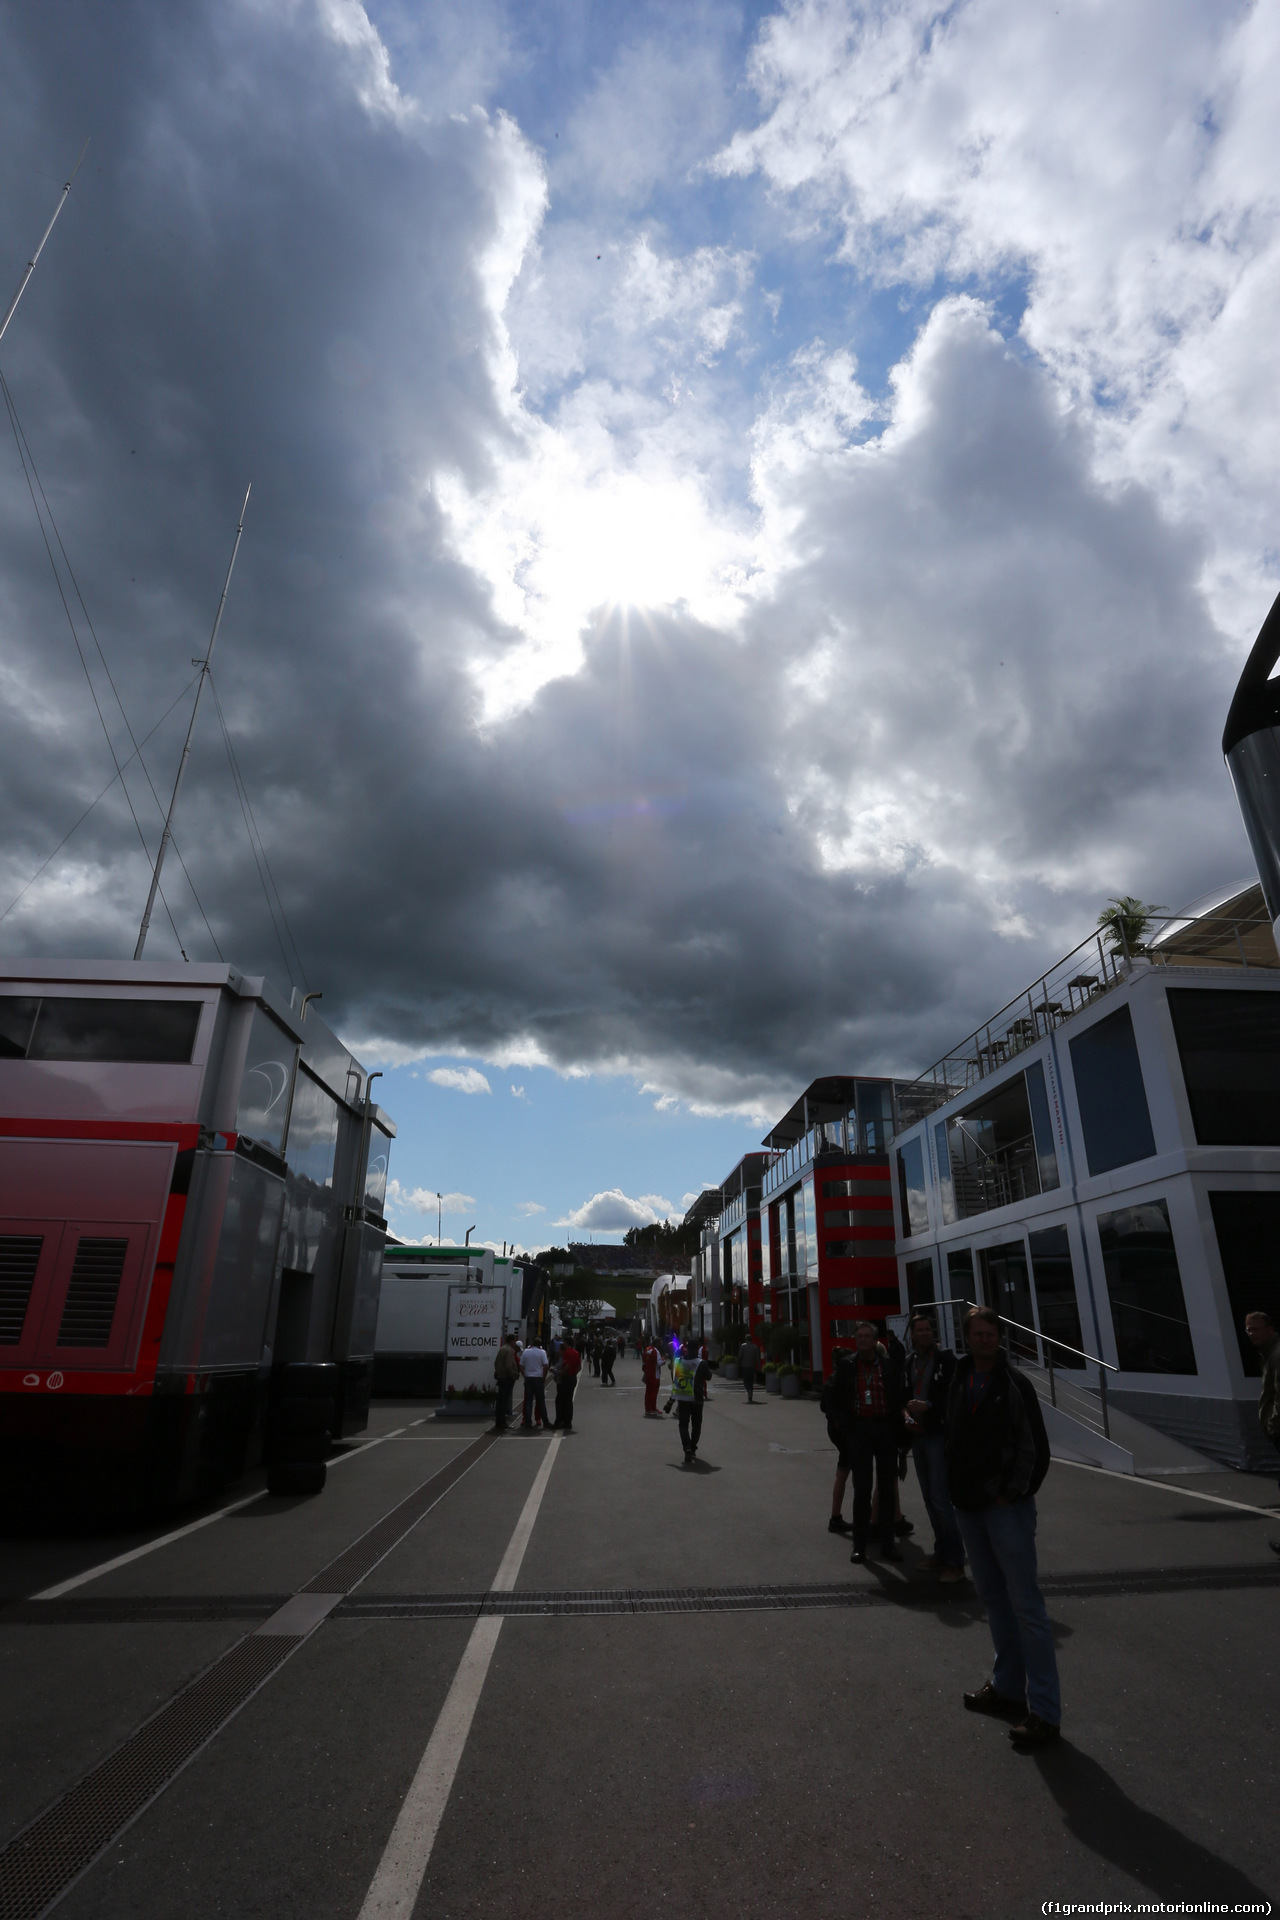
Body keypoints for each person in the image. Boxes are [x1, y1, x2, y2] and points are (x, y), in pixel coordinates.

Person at [947, 1305, 1058, 1752]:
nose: (985, 1339)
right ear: (967, 1337)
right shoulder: (958, 1379)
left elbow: (1036, 1450)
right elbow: (955, 1432)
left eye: (991, 1332)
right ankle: (1007, 1687)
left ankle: (1045, 1712)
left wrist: (1008, 1493)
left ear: (1000, 1337)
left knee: (1026, 1606)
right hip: (968, 1507)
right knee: (993, 1599)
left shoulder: (1016, 1384)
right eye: (978, 1332)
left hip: (1003, 1509)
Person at [904, 1312, 965, 1582]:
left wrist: (928, 1406)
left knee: (941, 1499)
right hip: (917, 1434)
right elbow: (904, 1395)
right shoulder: (909, 1362)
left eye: (928, 1329)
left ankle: (955, 1561)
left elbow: (954, 1395)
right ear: (912, 1333)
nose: (924, 1333)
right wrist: (905, 1414)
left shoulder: (946, 1360)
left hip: (937, 1435)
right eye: (919, 1329)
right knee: (929, 1498)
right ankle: (941, 1553)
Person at [842, 1321, 906, 1563]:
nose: (863, 1340)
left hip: (884, 1429)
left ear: (875, 1340)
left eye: (867, 1336)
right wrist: (843, 1424)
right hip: (860, 1431)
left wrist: (901, 1420)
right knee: (861, 1489)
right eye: (859, 1336)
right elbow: (832, 1396)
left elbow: (898, 1396)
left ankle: (888, 1543)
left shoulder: (888, 1367)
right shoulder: (848, 1365)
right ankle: (859, 1545)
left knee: (887, 1489)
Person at [1245, 1310, 1280, 1554]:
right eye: (1248, 1329)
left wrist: (1273, 1424)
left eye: (1256, 1329)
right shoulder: (1270, 1353)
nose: (1251, 1334)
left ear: (1270, 1329)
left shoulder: (1276, 1355)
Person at [820, 1346, 858, 1534]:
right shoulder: (843, 1381)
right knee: (849, 1474)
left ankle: (836, 1517)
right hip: (846, 1432)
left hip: (837, 1431)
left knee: (842, 1472)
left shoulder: (831, 1380)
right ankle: (838, 1517)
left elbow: (823, 1406)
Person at [672, 1343, 712, 1462]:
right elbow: (709, 1377)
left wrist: (671, 1400)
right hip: (697, 1399)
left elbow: (676, 1380)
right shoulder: (702, 1363)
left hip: (684, 1398)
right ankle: (693, 1448)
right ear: (696, 1350)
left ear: (687, 1349)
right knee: (696, 1425)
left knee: (683, 1425)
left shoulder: (680, 1361)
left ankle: (687, 1447)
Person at [519, 1338, 552, 1432]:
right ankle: (545, 1421)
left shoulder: (526, 1352)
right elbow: (546, 1365)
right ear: (540, 1345)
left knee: (528, 1401)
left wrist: (524, 1375)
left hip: (528, 1378)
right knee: (540, 1401)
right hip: (538, 1378)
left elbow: (521, 1365)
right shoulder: (542, 1352)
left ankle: (527, 1421)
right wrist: (544, 1377)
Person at [493, 1334, 520, 1432]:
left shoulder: (502, 1349)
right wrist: (514, 1374)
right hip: (506, 1378)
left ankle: (499, 1421)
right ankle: (502, 1422)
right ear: (512, 1341)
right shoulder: (509, 1350)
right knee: (504, 1401)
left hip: (501, 1377)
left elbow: (496, 1362)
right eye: (515, 1341)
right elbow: (509, 1365)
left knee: (500, 1400)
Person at [738, 1331, 762, 1403]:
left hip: (744, 1366)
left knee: (745, 1381)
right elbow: (757, 1358)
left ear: (746, 1339)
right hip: (752, 1366)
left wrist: (738, 1363)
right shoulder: (755, 1347)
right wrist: (759, 1366)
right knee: (751, 1381)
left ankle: (748, 1390)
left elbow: (740, 1356)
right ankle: (750, 1396)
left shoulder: (743, 1346)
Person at [642, 1337, 662, 1416]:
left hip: (648, 1374)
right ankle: (652, 1408)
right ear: (657, 1343)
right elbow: (659, 1363)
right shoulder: (655, 1351)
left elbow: (643, 1363)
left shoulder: (647, 1349)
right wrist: (665, 1358)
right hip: (655, 1375)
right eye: (660, 1343)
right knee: (654, 1392)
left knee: (648, 1392)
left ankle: (647, 1408)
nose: (661, 1344)